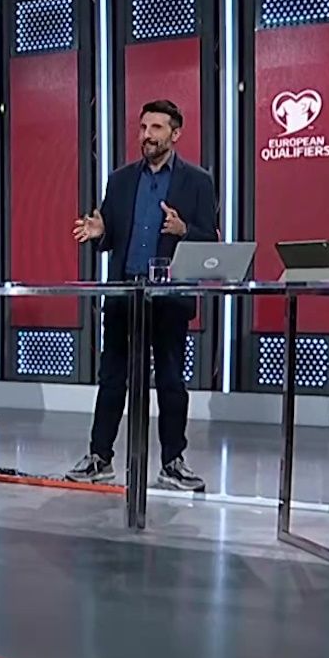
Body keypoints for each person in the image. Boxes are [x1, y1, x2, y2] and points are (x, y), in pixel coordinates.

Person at [65, 100, 219, 492]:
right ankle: (99, 457)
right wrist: (99, 232)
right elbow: (109, 232)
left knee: (170, 381)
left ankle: (173, 462)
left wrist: (185, 230)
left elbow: (210, 239)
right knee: (112, 378)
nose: (147, 135)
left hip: (169, 297)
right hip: (124, 294)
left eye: (156, 128)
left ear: (175, 133)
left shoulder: (198, 181)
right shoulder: (119, 180)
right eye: (143, 127)